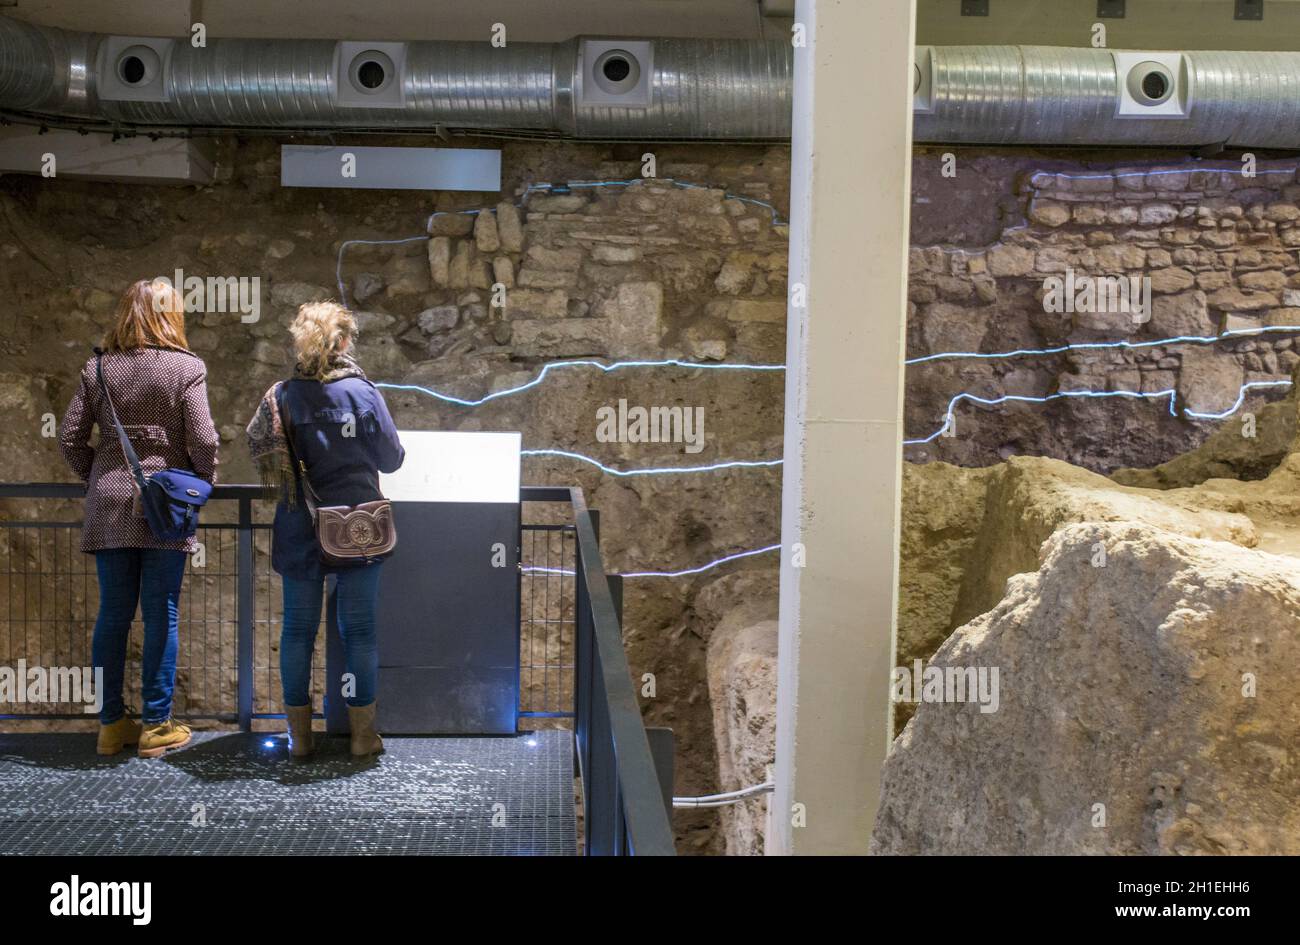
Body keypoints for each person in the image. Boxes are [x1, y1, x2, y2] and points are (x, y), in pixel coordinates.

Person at [59, 278, 219, 757]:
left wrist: (99, 479)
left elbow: (70, 437)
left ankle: (111, 725)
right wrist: (196, 486)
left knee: (112, 614)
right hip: (166, 507)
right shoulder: (185, 367)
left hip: (108, 505)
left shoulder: (99, 367)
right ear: (171, 315)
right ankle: (155, 725)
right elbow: (205, 440)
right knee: (160, 615)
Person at [246, 301, 404, 759]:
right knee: (359, 630)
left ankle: (298, 738)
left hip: (299, 524)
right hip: (358, 525)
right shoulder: (363, 393)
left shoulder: (280, 397)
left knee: (297, 630)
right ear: (341, 342)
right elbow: (392, 458)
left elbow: (264, 455)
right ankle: (361, 735)